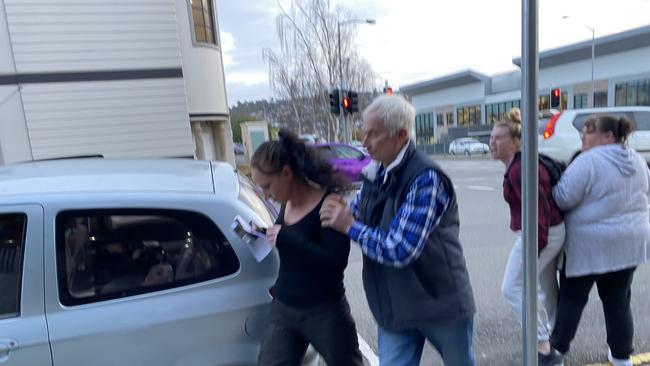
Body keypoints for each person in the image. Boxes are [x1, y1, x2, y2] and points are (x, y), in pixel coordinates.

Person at [319, 95, 476, 366]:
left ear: (401, 134)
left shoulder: (425, 178)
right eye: (363, 132)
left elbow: (400, 248)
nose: (364, 143)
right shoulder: (374, 174)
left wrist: (349, 227)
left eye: (373, 134)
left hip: (440, 303)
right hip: (394, 307)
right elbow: (352, 209)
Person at [250, 129, 363, 366]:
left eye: (268, 186)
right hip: (284, 308)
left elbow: (334, 262)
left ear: (287, 173)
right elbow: (291, 247)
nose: (266, 195)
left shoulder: (329, 204)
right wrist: (262, 235)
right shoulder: (286, 203)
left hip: (324, 312)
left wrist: (286, 238)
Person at [549, 115, 649, 366]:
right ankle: (621, 356)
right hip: (629, 243)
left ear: (608, 136)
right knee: (618, 300)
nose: (583, 136)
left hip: (589, 245)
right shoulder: (636, 159)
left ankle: (556, 352)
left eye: (589, 132)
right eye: (582, 131)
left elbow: (562, 197)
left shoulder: (588, 161)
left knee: (572, 299)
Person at [489, 108, 565, 366]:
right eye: (491, 137)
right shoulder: (518, 165)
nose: (492, 142)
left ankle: (544, 348)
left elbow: (539, 214)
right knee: (545, 287)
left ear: (515, 142)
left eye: (498, 137)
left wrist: (531, 252)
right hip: (545, 232)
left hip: (541, 234)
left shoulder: (522, 169)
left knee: (513, 286)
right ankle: (554, 340)